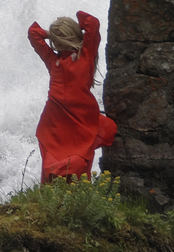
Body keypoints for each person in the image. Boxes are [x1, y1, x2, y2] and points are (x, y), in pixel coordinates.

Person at [28, 10, 117, 183]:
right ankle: (58, 198)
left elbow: (92, 22)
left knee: (75, 159)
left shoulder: (84, 55)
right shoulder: (55, 60)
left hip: (78, 118)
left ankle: (71, 196)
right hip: (57, 119)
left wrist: (60, 33)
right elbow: (33, 34)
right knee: (59, 161)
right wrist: (53, 33)